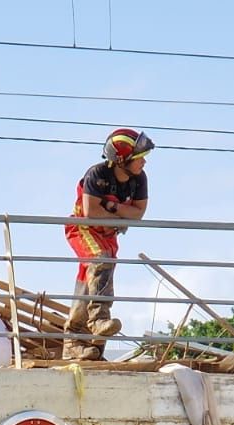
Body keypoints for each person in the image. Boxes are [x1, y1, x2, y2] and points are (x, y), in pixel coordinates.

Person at [63, 128, 152, 361]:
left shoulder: (139, 179)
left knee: (89, 282)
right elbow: (91, 212)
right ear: (121, 161)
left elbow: (139, 213)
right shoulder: (96, 174)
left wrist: (111, 208)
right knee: (101, 259)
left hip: (109, 233)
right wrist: (122, 215)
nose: (144, 161)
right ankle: (98, 319)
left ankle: (77, 344)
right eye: (139, 157)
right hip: (83, 228)